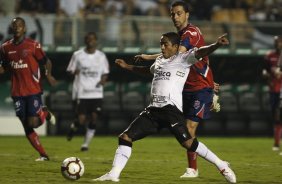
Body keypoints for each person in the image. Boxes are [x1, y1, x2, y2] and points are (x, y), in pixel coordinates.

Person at [92, 32, 236, 183]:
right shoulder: (160, 60)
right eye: (161, 44)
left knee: (188, 143)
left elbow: (202, 51)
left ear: (175, 46)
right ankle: (114, 174)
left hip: (170, 110)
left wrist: (217, 44)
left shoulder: (184, 59)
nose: (162, 47)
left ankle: (222, 166)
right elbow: (148, 71)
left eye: (165, 44)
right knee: (125, 137)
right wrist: (127, 66)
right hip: (153, 110)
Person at [134, 0, 220, 178]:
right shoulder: (178, 35)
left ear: (187, 14)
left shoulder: (190, 33)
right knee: (184, 132)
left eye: (179, 13)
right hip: (185, 87)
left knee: (189, 128)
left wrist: (148, 56)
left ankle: (193, 169)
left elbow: (177, 55)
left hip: (200, 87)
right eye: (172, 14)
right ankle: (198, 168)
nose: (175, 17)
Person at [0, 17, 56, 161]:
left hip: (33, 90)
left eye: (19, 25)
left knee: (32, 122)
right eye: (14, 25)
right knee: (26, 125)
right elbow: (4, 67)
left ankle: (44, 112)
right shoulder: (5, 47)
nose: (16, 27)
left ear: (24, 28)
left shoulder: (33, 45)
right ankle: (43, 155)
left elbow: (46, 61)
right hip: (17, 92)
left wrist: (48, 75)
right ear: (11, 28)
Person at [66, 32, 110, 151]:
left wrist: (103, 80)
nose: (90, 41)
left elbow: (105, 72)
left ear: (96, 41)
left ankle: (85, 144)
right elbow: (70, 70)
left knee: (94, 118)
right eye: (88, 39)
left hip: (96, 92)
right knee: (81, 120)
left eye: (92, 39)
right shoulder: (77, 55)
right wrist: (73, 73)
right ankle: (74, 125)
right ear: (85, 41)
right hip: (82, 92)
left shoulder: (101, 56)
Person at [262, 35, 282, 153]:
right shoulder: (269, 55)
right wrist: (268, 75)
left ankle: (276, 142)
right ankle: (276, 141)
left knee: (280, 115)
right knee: (275, 116)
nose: (279, 44)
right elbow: (264, 70)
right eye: (277, 42)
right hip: (273, 89)